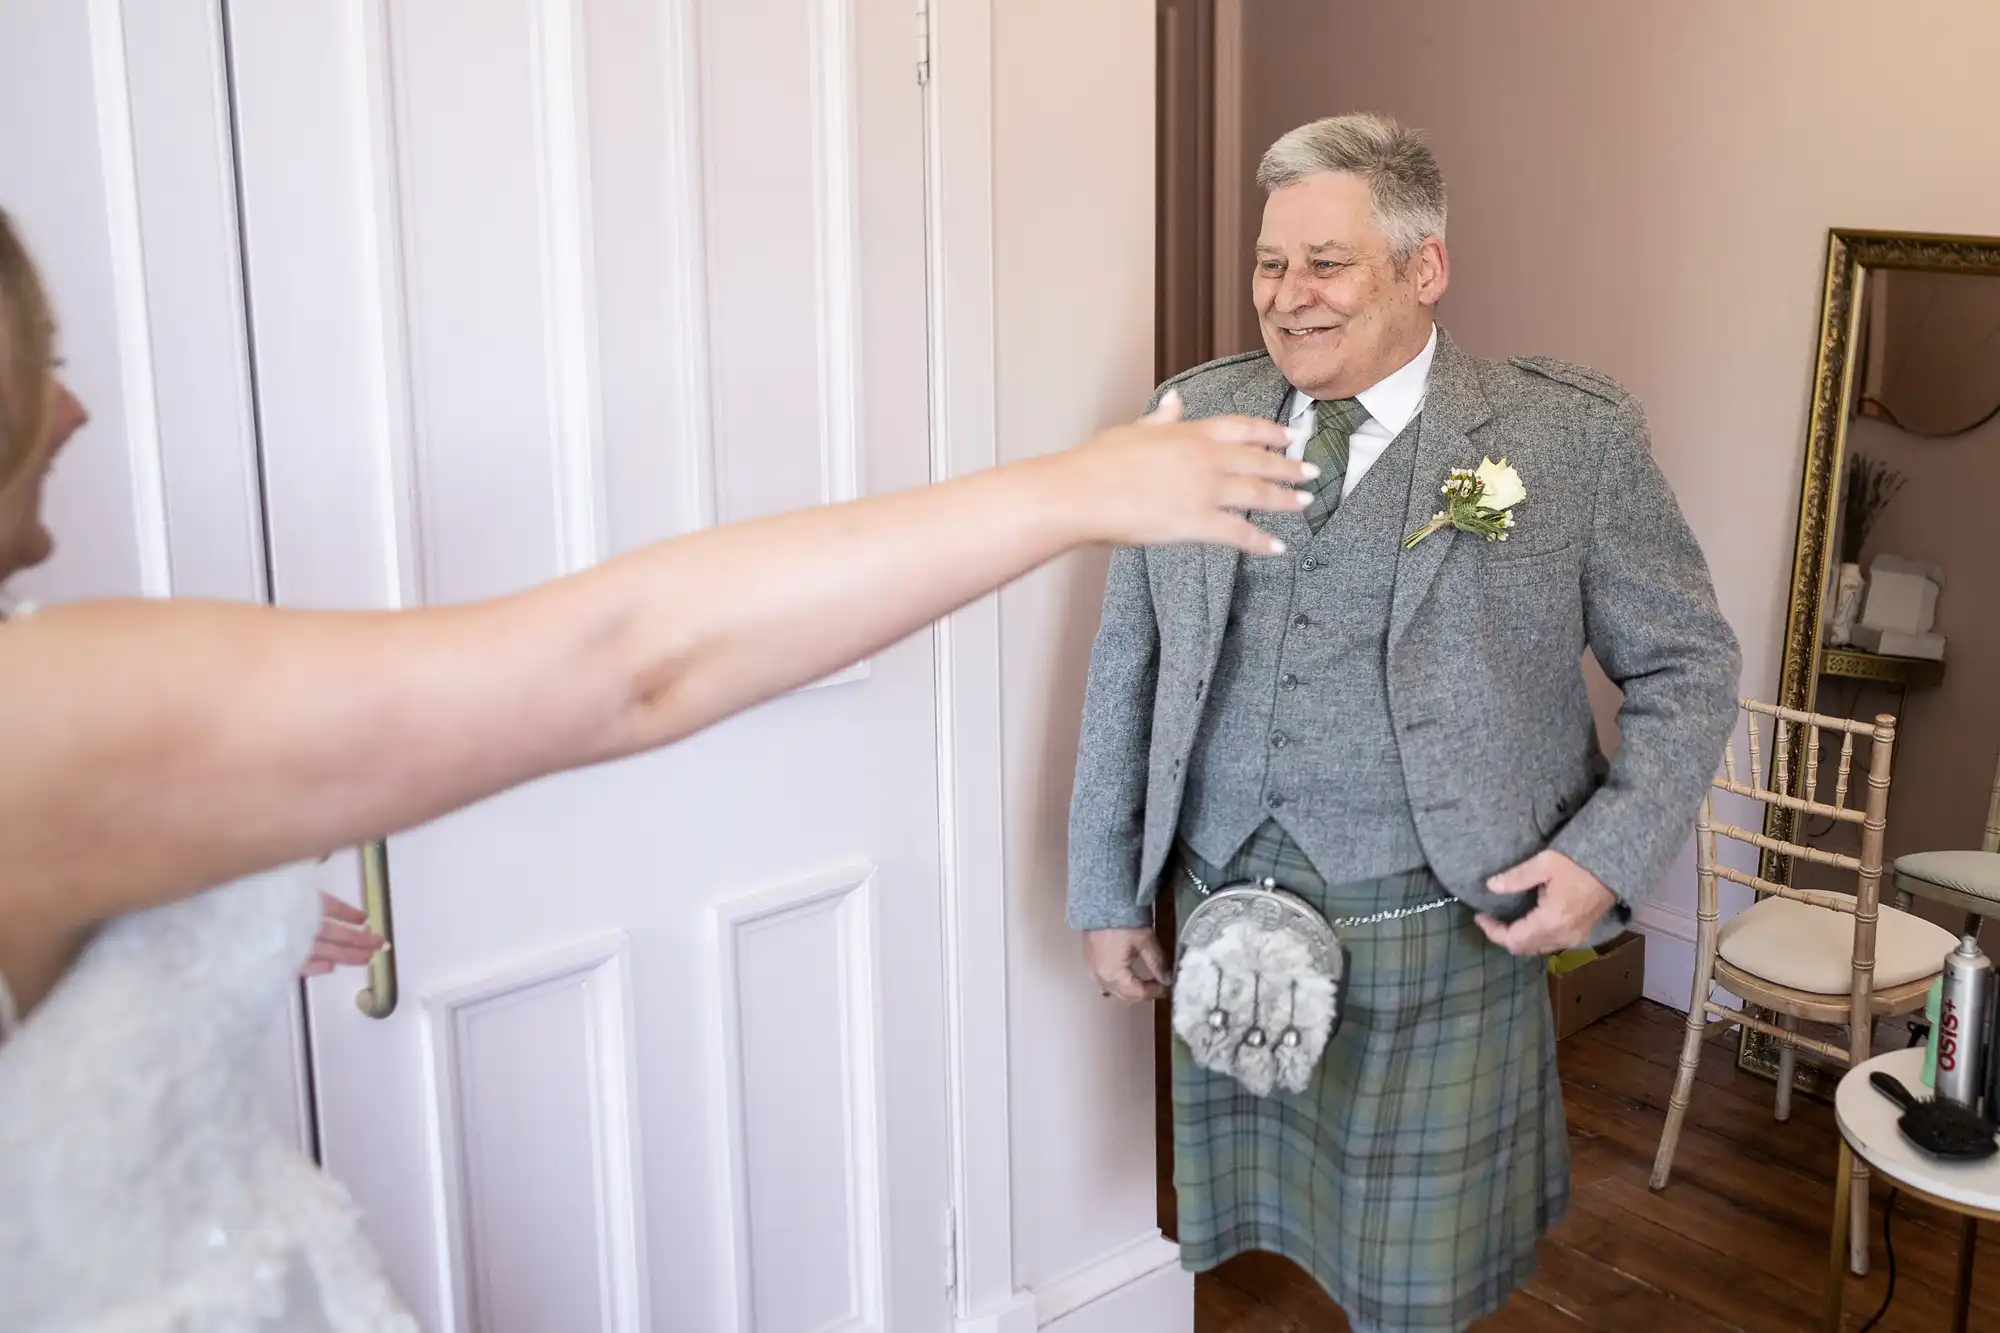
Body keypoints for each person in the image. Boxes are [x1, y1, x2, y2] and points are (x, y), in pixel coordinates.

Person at [0, 207, 1319, 1332]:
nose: (73, 405)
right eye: (35, 361)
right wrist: (1078, 487)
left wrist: (172, 922)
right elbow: (627, 663)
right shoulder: (40, 711)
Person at [1068, 114, 1740, 1332]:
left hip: (1442, 925)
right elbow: (1130, 665)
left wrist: (1604, 856)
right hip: (1225, 906)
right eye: (1271, 263)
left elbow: (1689, 663)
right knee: (1256, 1223)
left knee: (1419, 1280)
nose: (1287, 296)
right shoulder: (1191, 416)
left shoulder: (1565, 435)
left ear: (1422, 267)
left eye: (1326, 263)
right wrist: (1105, 891)